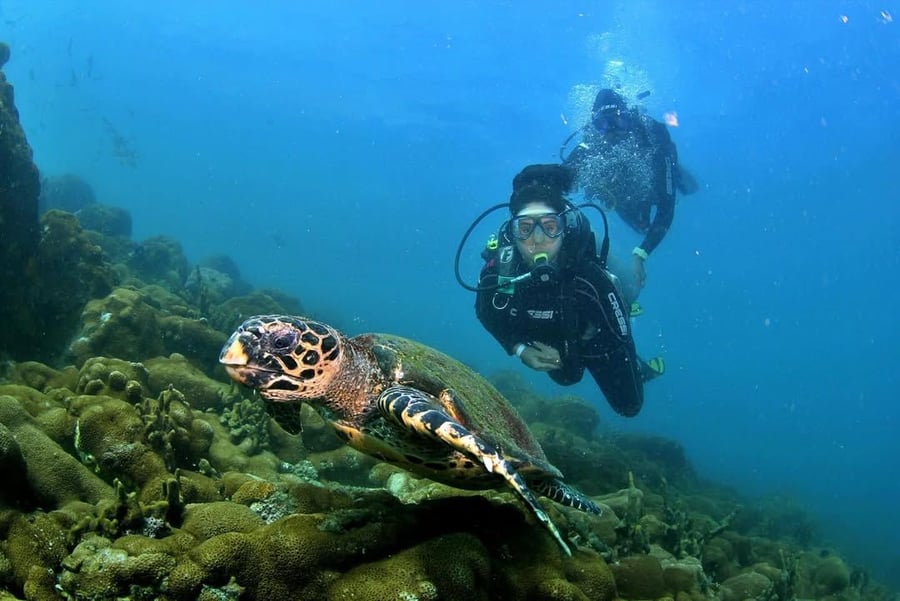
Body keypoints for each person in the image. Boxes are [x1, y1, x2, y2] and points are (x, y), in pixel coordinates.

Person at [475, 164, 663, 418]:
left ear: (564, 229)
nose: (538, 239)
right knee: (565, 377)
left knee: (629, 407)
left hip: (593, 336)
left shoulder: (589, 277)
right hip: (550, 336)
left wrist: (578, 347)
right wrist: (519, 349)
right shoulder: (501, 269)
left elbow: (619, 335)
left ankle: (638, 367)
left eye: (550, 226)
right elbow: (485, 311)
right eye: (525, 227)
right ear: (513, 232)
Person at [563, 87, 697, 296]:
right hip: (621, 196)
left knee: (681, 186)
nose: (613, 132)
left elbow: (666, 208)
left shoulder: (653, 139)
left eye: (619, 122)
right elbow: (557, 182)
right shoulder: (590, 146)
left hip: (651, 184)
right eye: (603, 125)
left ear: (630, 119)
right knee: (641, 225)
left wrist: (641, 254)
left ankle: (676, 173)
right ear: (594, 127)